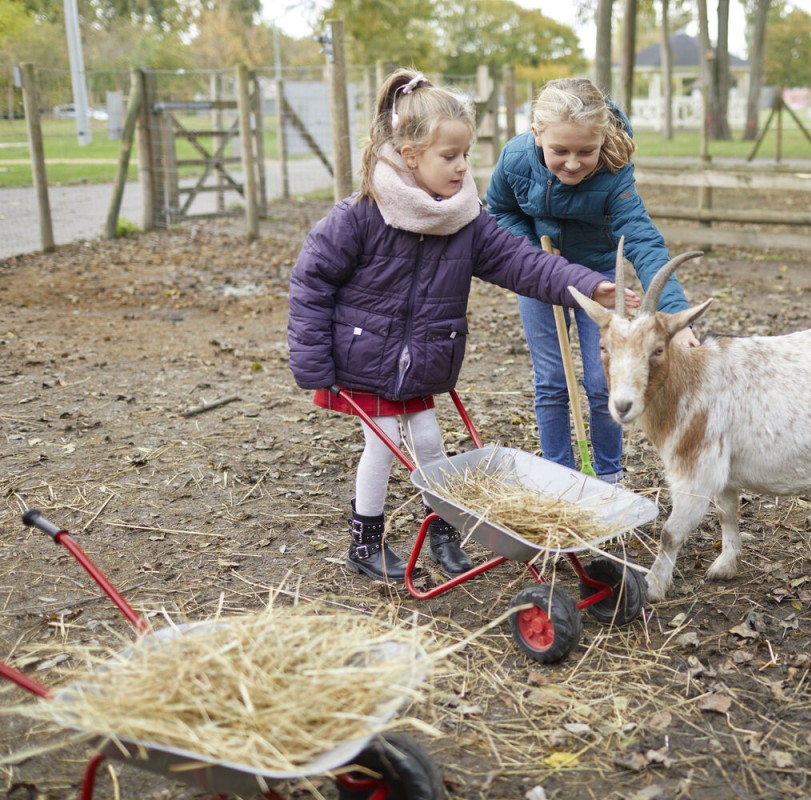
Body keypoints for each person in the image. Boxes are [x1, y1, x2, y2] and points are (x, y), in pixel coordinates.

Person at [287, 69, 635, 583]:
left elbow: (524, 263)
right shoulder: (361, 215)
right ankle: (366, 540)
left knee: (430, 445)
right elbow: (310, 282)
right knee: (382, 443)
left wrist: (587, 287)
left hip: (423, 361)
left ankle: (445, 530)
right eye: (449, 157)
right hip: (362, 359)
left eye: (465, 155)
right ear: (410, 156)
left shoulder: (463, 220)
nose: (461, 167)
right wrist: (314, 363)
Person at [485, 78, 699, 485]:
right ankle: (557, 475)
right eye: (559, 151)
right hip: (541, 274)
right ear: (537, 135)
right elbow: (499, 210)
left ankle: (607, 477)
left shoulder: (615, 172)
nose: (572, 162)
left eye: (586, 151)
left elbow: (641, 238)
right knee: (551, 379)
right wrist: (532, 253)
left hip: (599, 282)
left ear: (602, 138)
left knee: (602, 378)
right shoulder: (514, 159)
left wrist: (676, 314)